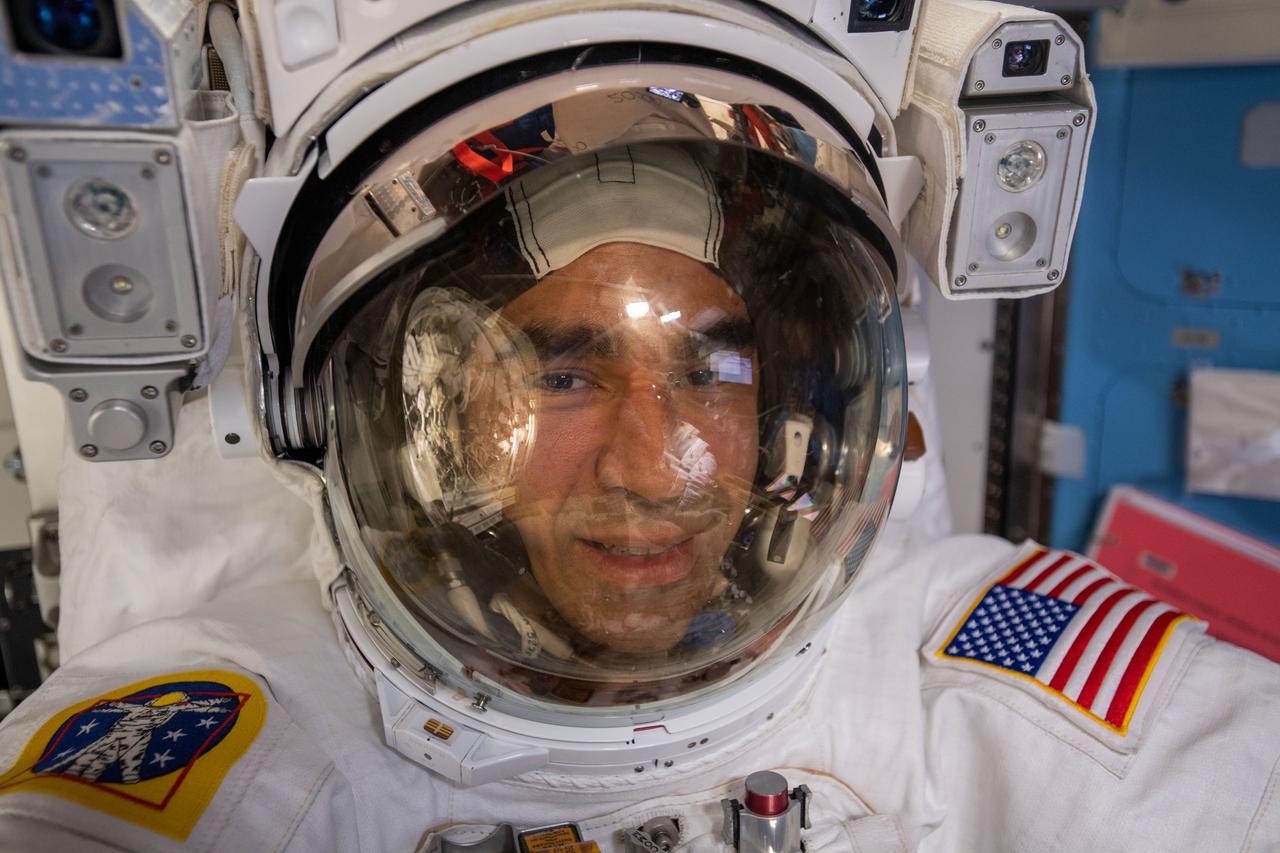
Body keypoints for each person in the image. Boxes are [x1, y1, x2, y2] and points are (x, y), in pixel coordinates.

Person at [0, 97, 1277, 853]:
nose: (651, 466)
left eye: (712, 373)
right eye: (562, 375)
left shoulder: (940, 655)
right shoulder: (253, 722)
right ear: (430, 413)